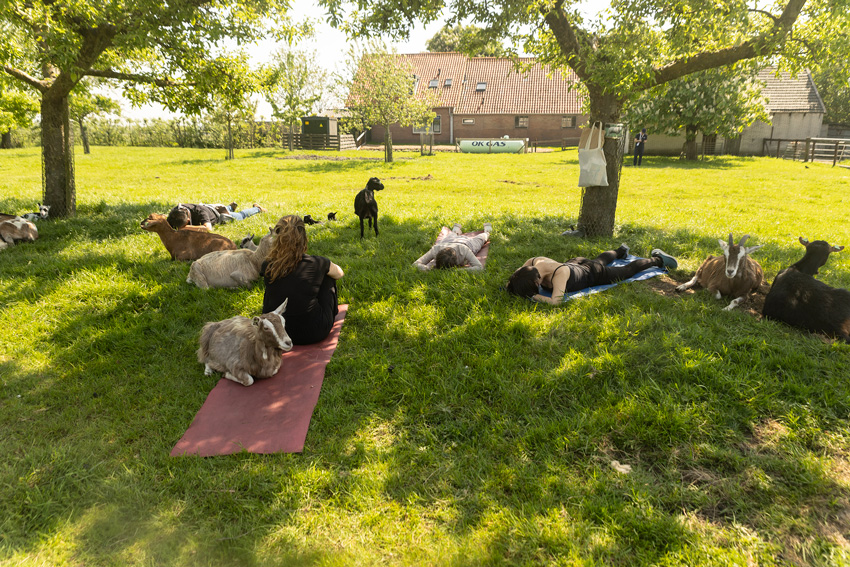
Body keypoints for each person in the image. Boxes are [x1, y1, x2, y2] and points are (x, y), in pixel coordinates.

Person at [261, 215, 344, 345]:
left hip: (277, 331)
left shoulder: (267, 265)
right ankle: (332, 313)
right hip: (313, 332)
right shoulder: (317, 263)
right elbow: (339, 273)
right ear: (303, 238)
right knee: (328, 275)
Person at [506, 244, 677, 305]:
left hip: (593, 274)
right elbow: (516, 276)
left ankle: (658, 259)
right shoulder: (534, 262)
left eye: (536, 286)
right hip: (576, 263)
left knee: (626, 271)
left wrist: (534, 296)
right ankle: (620, 251)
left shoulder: (559, 275)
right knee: (599, 260)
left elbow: (556, 302)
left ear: (537, 280)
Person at [413, 223, 492, 271]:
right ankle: (456, 230)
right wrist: (428, 268)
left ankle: (487, 231)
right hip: (447, 242)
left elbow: (479, 267)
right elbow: (415, 264)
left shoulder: (464, 250)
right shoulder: (436, 249)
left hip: (467, 244)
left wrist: (457, 271)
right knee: (452, 235)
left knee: (481, 239)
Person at [166, 202, 266, 230]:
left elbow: (208, 228)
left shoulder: (200, 212)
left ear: (188, 220)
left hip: (218, 215)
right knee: (224, 208)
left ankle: (257, 208)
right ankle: (229, 207)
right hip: (212, 208)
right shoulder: (175, 213)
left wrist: (185, 228)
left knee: (241, 215)